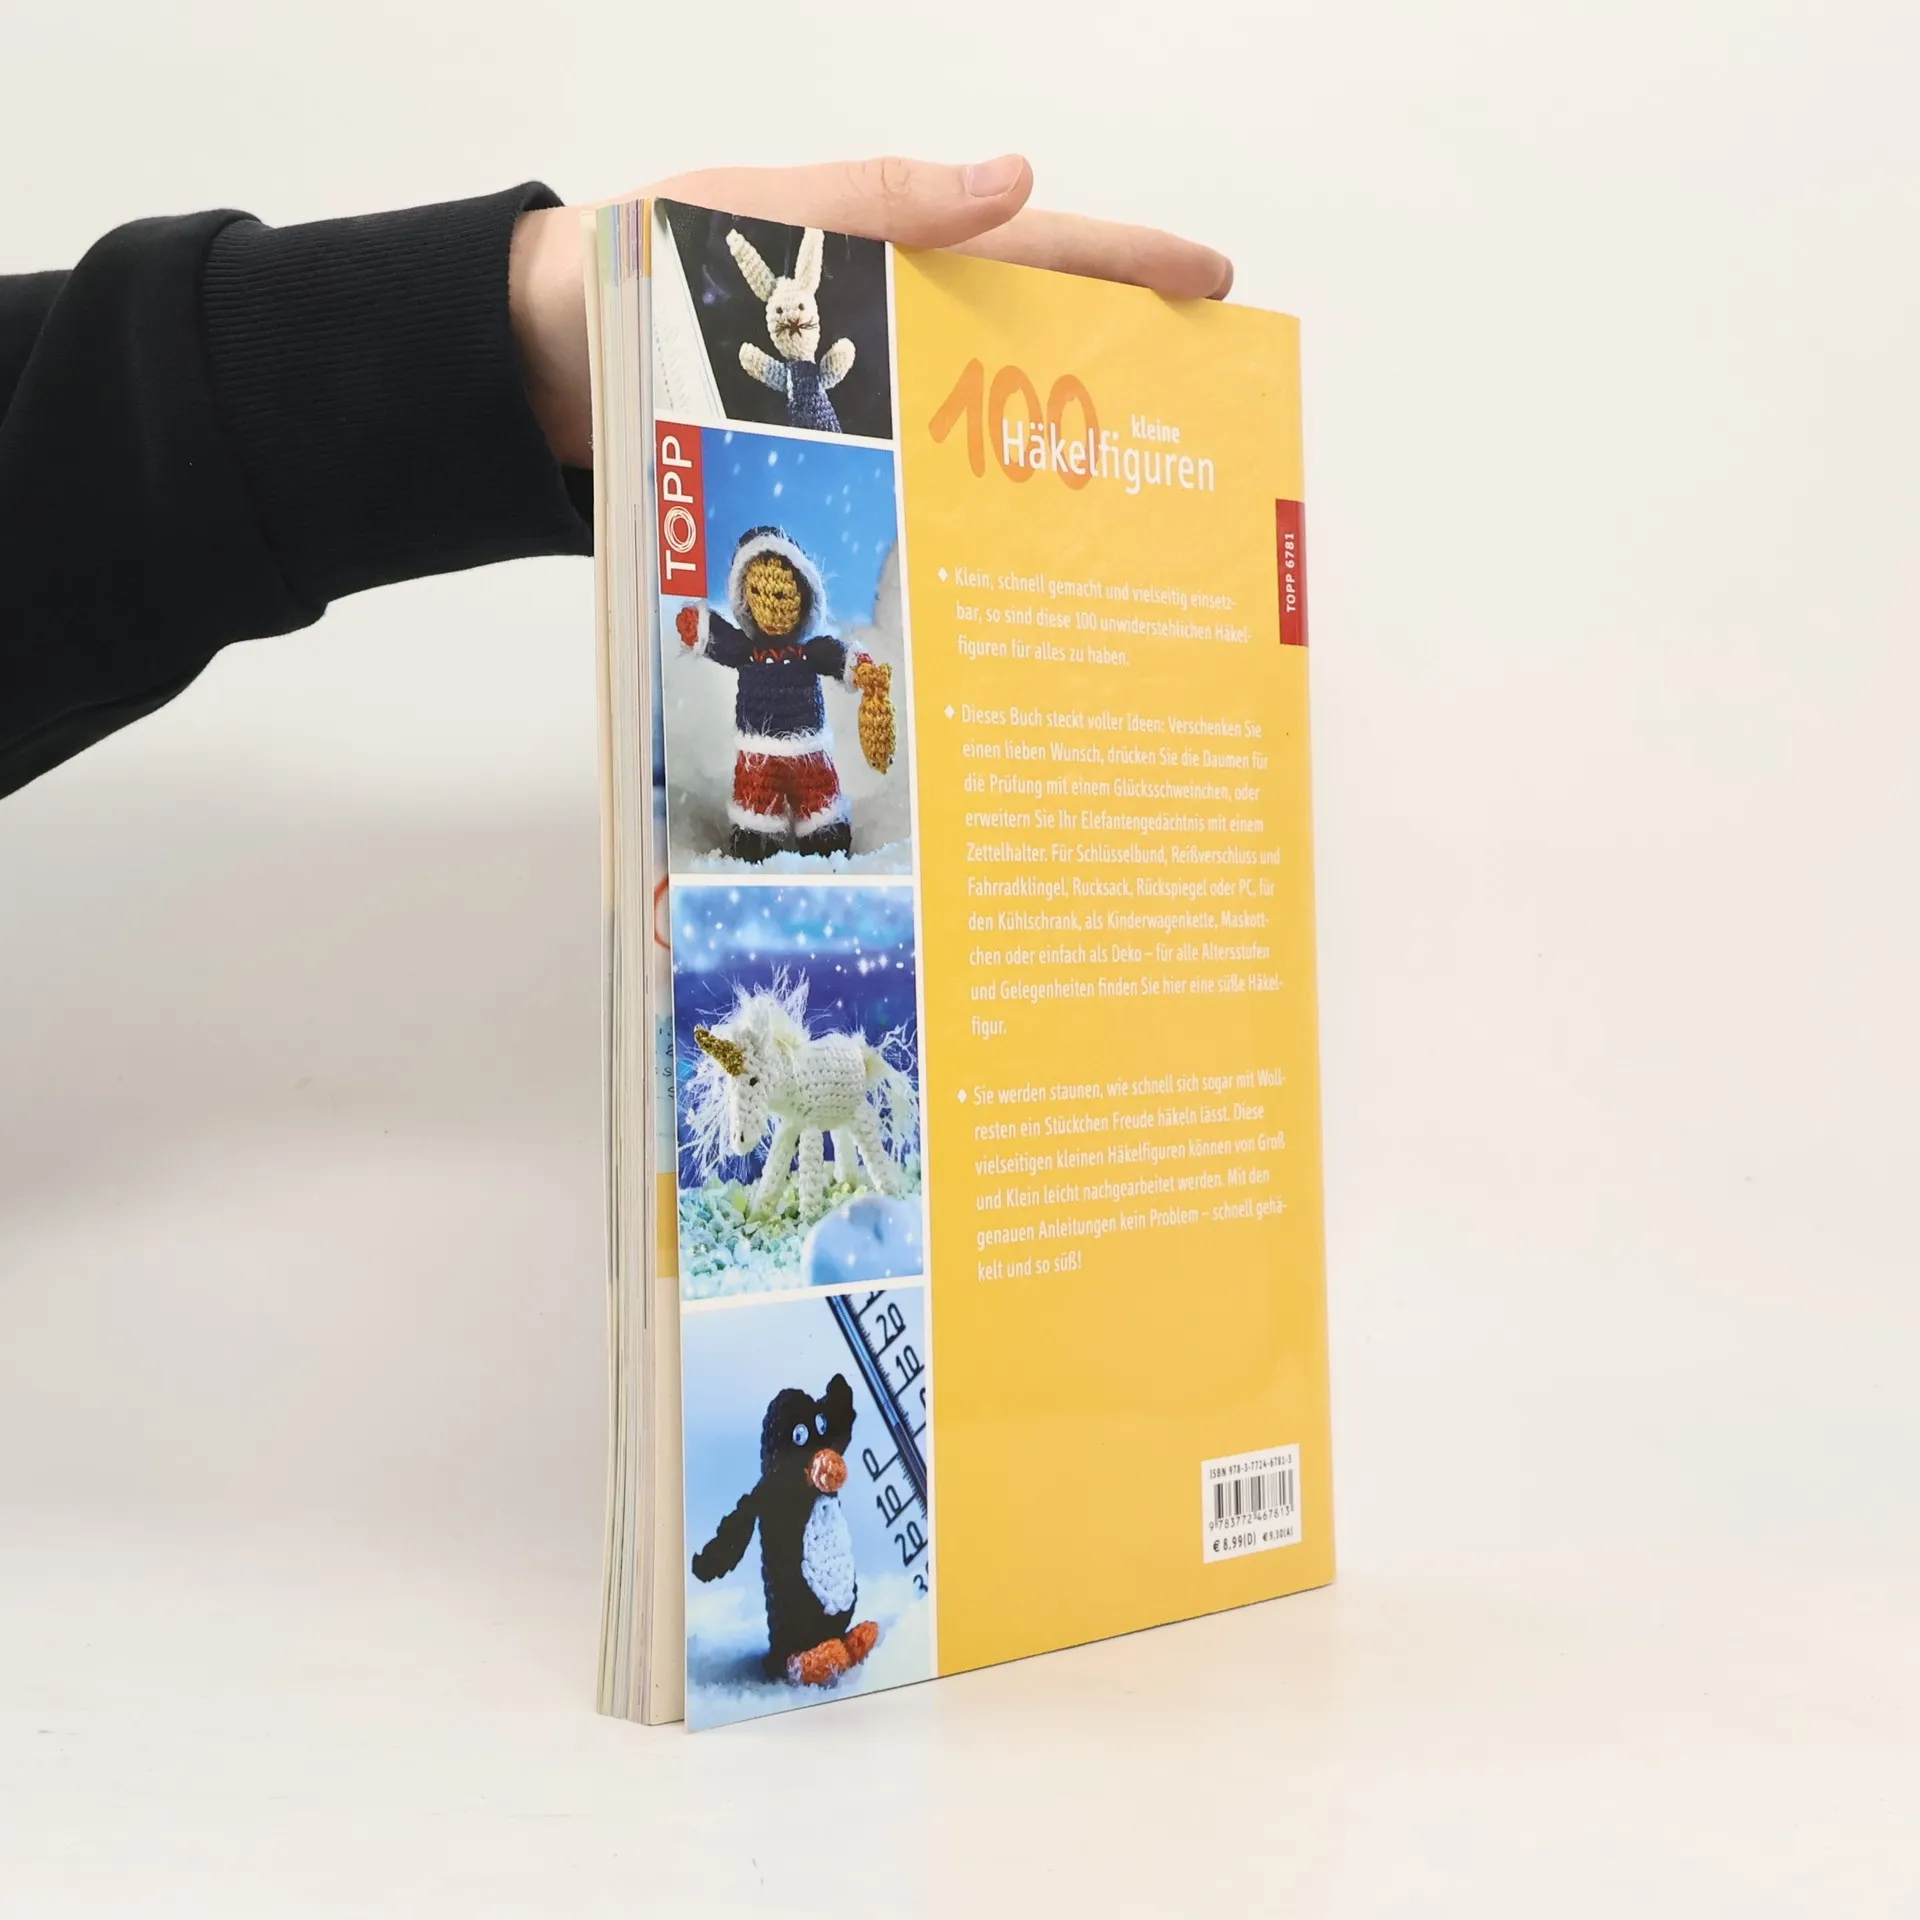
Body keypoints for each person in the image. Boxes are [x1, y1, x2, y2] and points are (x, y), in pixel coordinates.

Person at [0, 156, 1231, 801]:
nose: (780, 604)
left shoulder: (798, 633)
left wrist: (516, 333)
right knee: (774, 791)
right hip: (765, 745)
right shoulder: (758, 632)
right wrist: (503, 334)